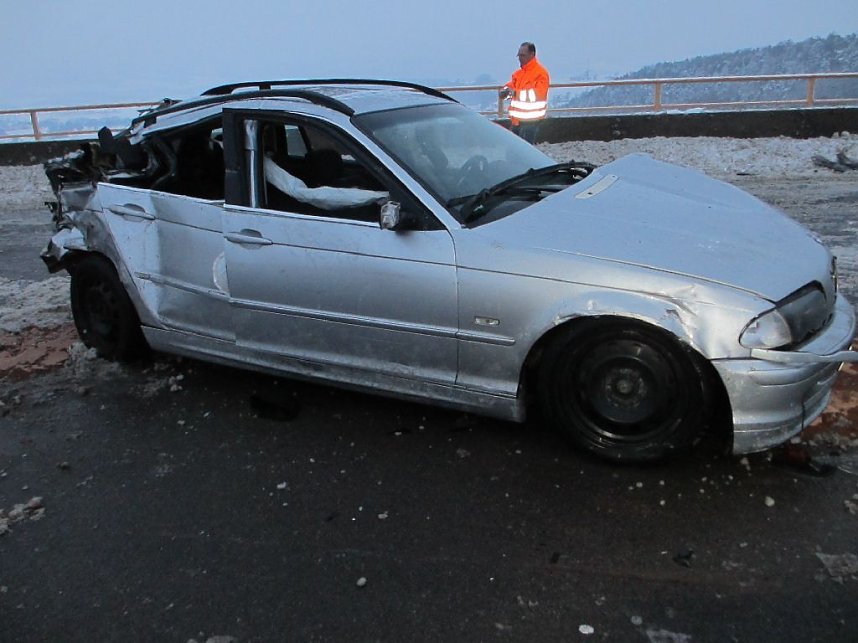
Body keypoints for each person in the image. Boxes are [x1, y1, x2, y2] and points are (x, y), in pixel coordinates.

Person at [500, 42, 550, 143]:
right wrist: (504, 92)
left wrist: (514, 93)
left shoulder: (541, 73)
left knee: (526, 152)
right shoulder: (518, 74)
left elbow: (538, 95)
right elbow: (511, 86)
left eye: (523, 55)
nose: (520, 58)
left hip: (532, 122)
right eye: (519, 55)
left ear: (532, 55)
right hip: (516, 121)